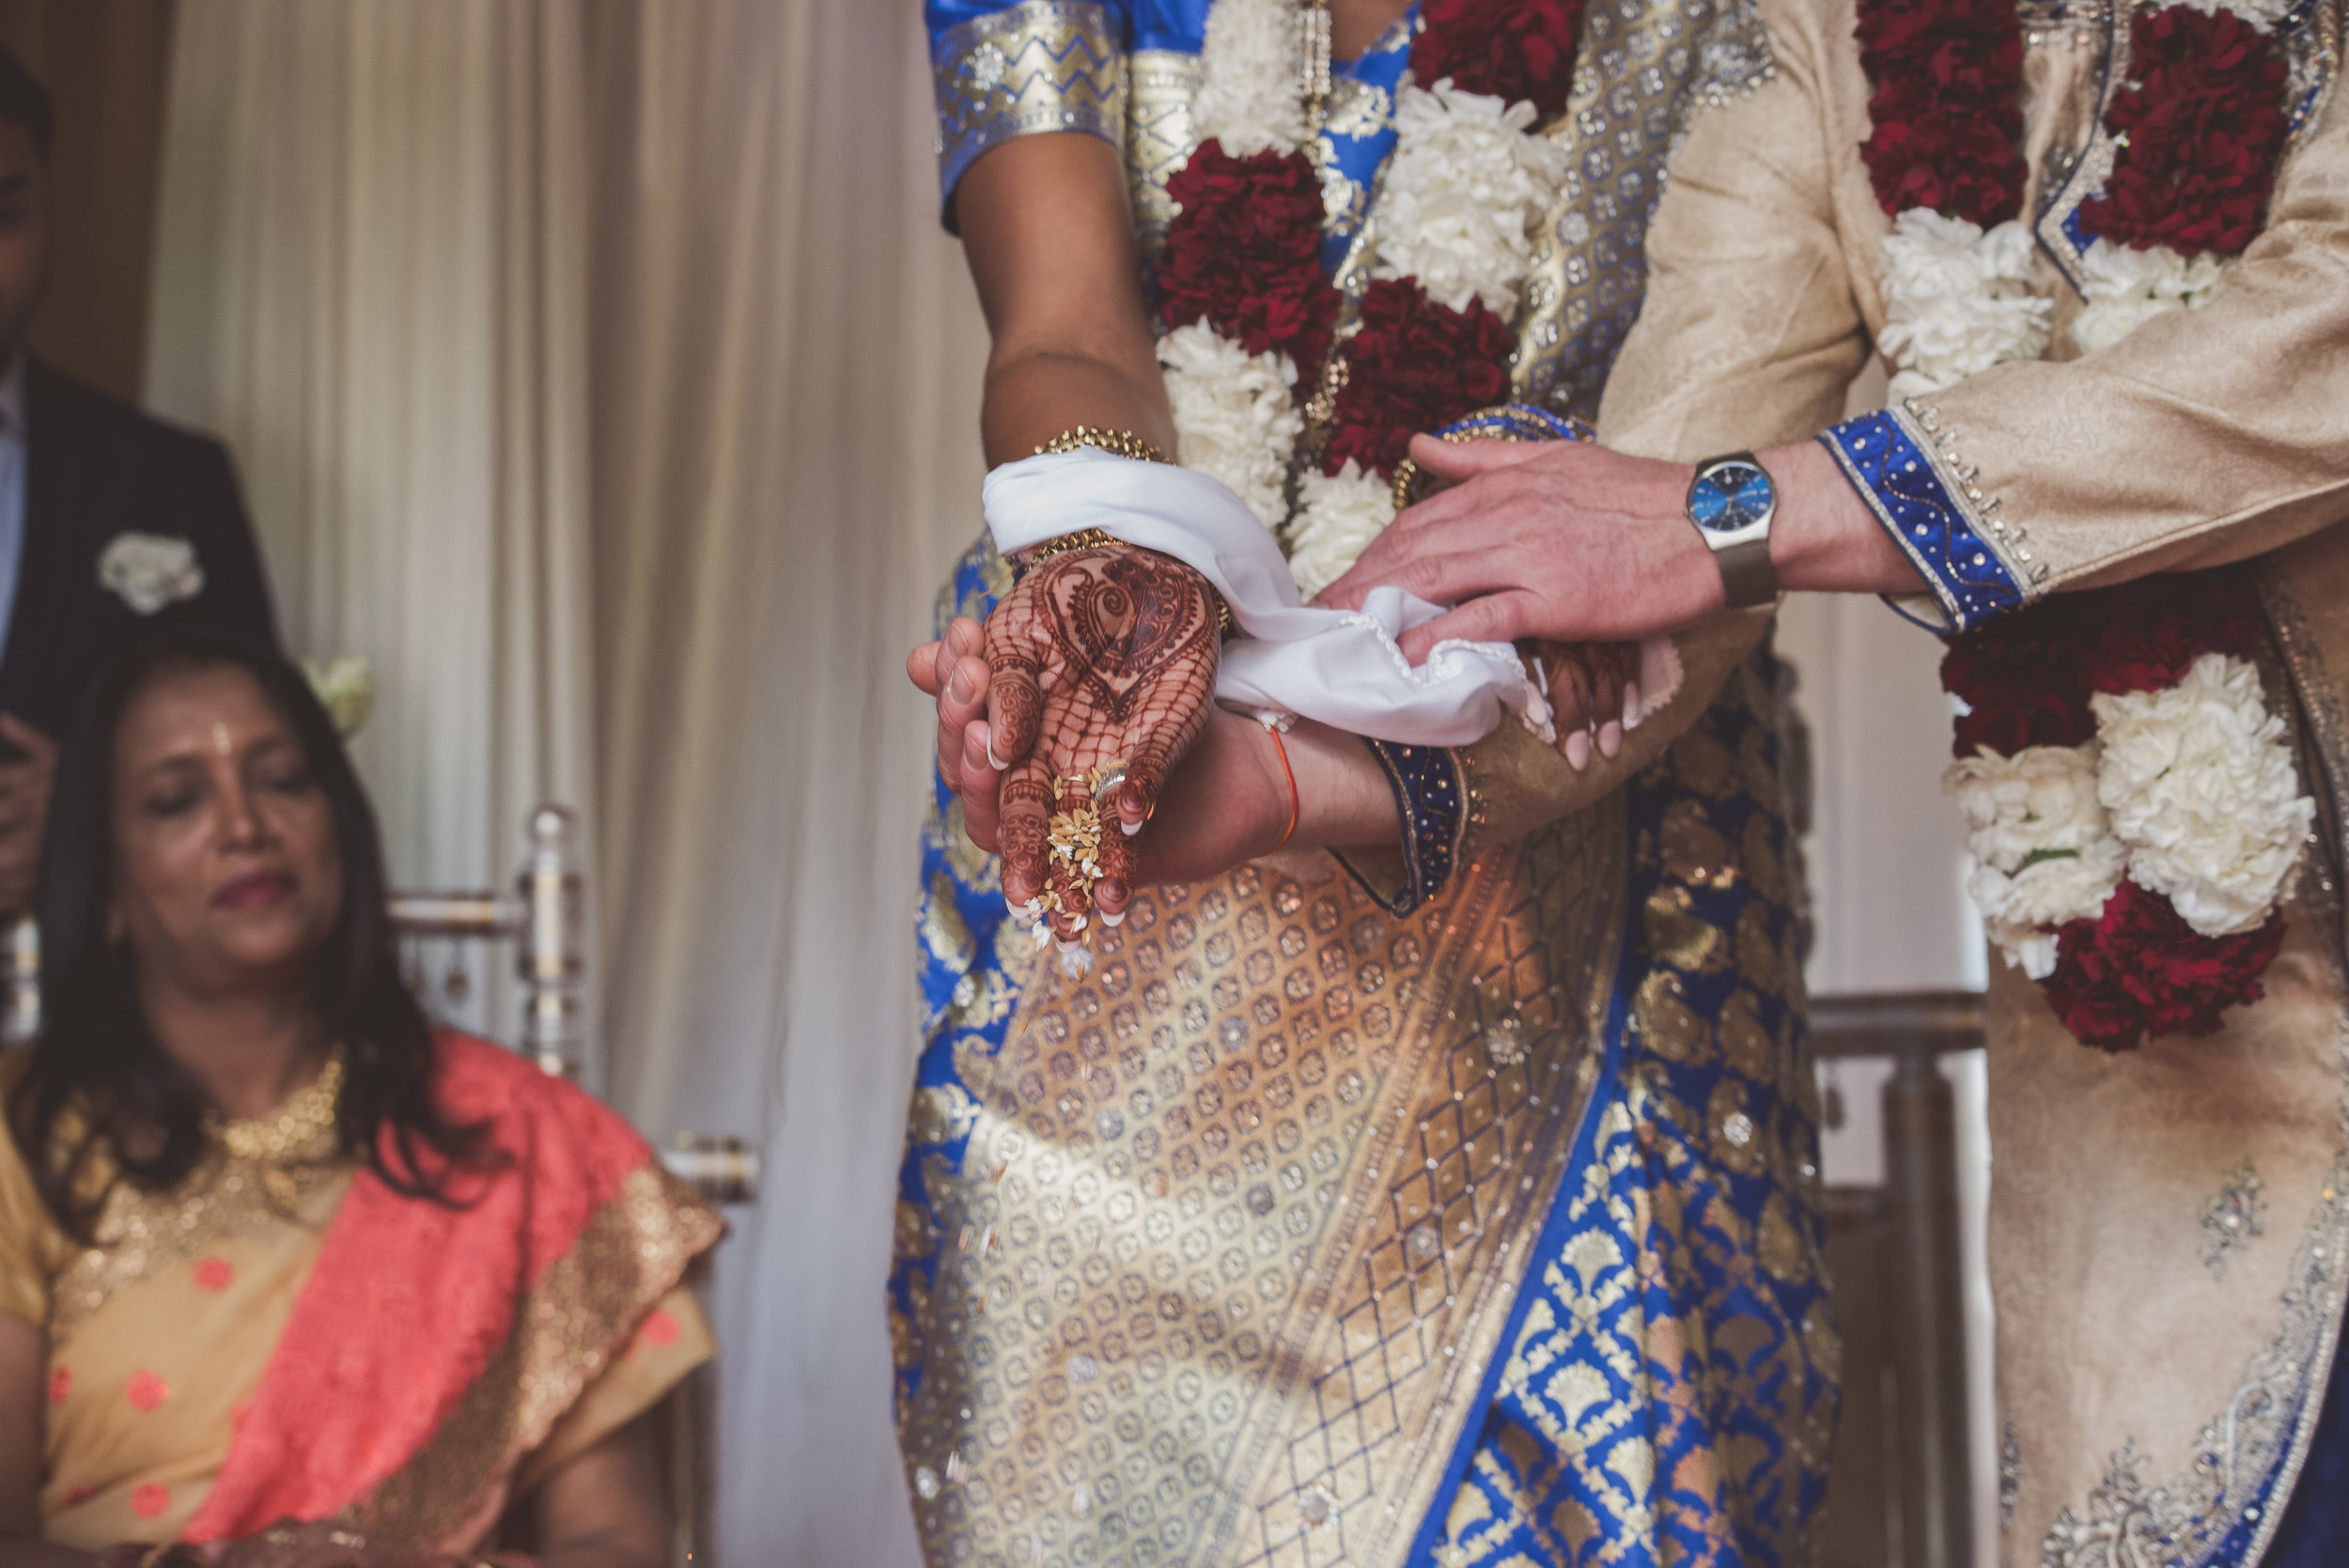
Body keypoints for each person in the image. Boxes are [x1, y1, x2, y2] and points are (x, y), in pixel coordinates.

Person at [1314, 0, 2349, 1559]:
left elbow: (2317, 335)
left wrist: (1739, 513)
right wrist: (1254, 768)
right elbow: (1657, 522)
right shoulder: (1818, 35)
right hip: (2177, 1153)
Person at [892, 2, 1844, 1564]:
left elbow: (1730, 388)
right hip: (1130, 796)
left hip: (1568, 802)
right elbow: (1061, 325)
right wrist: (1104, 584)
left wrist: (1556, 508)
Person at [0, 631, 720, 1566]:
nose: (244, 824)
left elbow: (618, 1541)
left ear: (342, 824)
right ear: (103, 887)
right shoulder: (26, 1140)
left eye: (284, 780)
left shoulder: (528, 1138)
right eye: (177, 800)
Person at [0, 49, 281, 924]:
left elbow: (263, 772)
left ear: (50, 220)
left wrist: (93, 817)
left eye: (2, 214)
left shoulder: (166, 482)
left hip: (97, 1030)